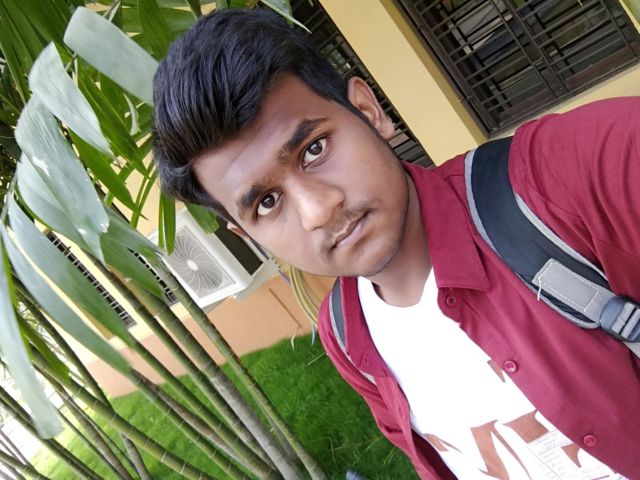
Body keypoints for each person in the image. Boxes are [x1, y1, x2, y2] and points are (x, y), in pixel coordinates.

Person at [152, 8, 640, 480]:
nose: (318, 211)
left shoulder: (568, 176)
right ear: (249, 237)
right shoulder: (348, 334)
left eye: (314, 149)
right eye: (266, 203)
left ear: (368, 111)